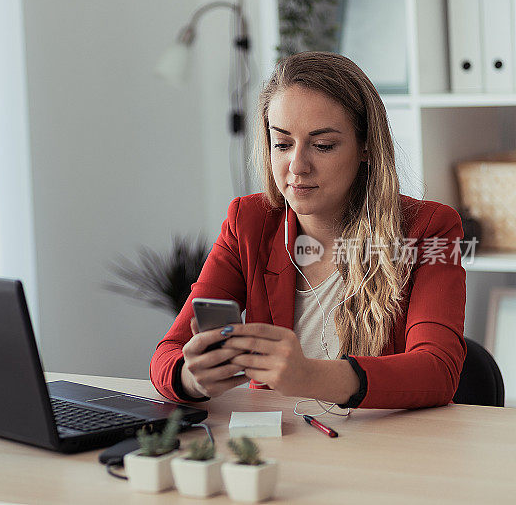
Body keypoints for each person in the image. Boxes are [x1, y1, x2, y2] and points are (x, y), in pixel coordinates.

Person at [150, 51, 466, 410]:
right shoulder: (248, 223)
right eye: (282, 144)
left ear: (366, 147)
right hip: (280, 448)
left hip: (384, 449)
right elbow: (167, 354)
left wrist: (309, 376)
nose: (297, 166)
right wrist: (192, 377)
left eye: (323, 145)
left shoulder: (429, 229)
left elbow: (438, 370)